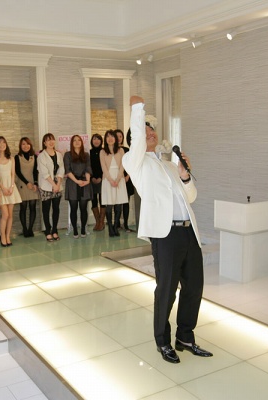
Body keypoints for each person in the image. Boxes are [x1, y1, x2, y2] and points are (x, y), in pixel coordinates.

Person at [122, 95, 212, 364]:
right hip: (165, 235)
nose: (150, 133)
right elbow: (138, 140)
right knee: (166, 289)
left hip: (188, 232)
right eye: (145, 130)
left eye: (152, 130)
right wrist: (138, 109)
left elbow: (191, 196)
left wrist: (185, 176)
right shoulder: (134, 162)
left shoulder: (170, 164)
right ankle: (162, 340)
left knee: (194, 286)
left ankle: (185, 337)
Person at [0, 136, 22, 247]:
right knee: (5, 214)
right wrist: (3, 188)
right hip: (0, 189)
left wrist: (12, 187)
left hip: (11, 188)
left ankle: (8, 236)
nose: (2, 144)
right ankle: (2, 236)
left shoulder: (11, 158)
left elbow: (13, 174)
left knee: (10, 215)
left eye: (3, 142)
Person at [100, 130, 127, 237]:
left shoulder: (121, 150)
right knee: (109, 204)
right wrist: (111, 180)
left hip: (119, 179)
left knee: (119, 204)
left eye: (112, 136)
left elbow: (123, 166)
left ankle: (116, 227)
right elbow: (103, 167)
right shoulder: (103, 152)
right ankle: (110, 228)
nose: (110, 139)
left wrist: (118, 179)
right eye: (108, 137)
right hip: (108, 180)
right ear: (105, 139)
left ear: (115, 139)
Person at [37, 133, 64, 242]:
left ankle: (55, 230)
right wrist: (53, 185)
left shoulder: (59, 154)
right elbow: (44, 173)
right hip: (46, 186)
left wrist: (58, 184)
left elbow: (61, 169)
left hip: (57, 185)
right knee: (46, 209)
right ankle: (47, 231)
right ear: (44, 143)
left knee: (56, 209)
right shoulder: (41, 156)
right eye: (48, 140)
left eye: (52, 139)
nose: (51, 142)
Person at [63, 135, 91, 238]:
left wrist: (87, 180)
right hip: (72, 183)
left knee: (83, 208)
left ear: (82, 142)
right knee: (73, 208)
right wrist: (76, 181)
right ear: (71, 143)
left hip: (84, 183)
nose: (77, 142)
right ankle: (74, 229)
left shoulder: (86, 155)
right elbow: (67, 170)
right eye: (74, 140)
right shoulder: (67, 155)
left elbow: (88, 168)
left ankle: (83, 228)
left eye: (79, 140)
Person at [15, 137, 39, 238]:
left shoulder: (34, 157)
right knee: (23, 207)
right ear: (20, 146)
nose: (26, 146)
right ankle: (24, 229)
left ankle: (30, 229)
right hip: (22, 184)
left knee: (33, 206)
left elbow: (35, 171)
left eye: (27, 144)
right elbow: (17, 172)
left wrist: (35, 183)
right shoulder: (17, 157)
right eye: (23, 144)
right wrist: (27, 183)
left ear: (30, 145)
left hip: (33, 184)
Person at [115, 128, 135, 233]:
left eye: (120, 136)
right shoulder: (111, 150)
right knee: (117, 203)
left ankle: (126, 224)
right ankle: (117, 224)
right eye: (116, 136)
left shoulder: (127, 150)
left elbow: (132, 165)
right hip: (116, 180)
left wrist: (127, 177)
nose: (118, 138)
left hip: (126, 179)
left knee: (126, 203)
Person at [89, 133, 105, 231]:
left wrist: (100, 177)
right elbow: (88, 166)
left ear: (101, 141)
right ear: (91, 141)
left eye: (98, 139)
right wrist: (91, 177)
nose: (96, 141)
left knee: (102, 200)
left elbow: (105, 166)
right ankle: (97, 222)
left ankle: (102, 222)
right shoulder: (89, 152)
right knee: (94, 200)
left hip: (103, 179)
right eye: (94, 139)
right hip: (92, 180)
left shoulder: (104, 152)